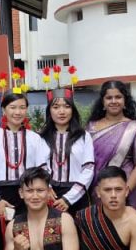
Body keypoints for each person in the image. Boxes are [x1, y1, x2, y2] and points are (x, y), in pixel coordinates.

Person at [0, 89, 49, 250]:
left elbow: (42, 170)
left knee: (26, 236)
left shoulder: (34, 138)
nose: (18, 112)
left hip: (26, 194)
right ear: (4, 110)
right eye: (13, 107)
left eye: (22, 107)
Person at [86, 80, 136, 208]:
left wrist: (125, 190)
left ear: (125, 101)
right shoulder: (90, 127)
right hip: (97, 190)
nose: (114, 101)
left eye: (118, 97)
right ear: (103, 102)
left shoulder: (134, 128)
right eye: (109, 98)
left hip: (128, 191)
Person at [40, 85, 95, 215]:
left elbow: (88, 168)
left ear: (73, 110)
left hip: (78, 194)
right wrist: (46, 188)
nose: (62, 111)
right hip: (50, 195)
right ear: (49, 111)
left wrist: (68, 198)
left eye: (66, 106)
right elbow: (40, 166)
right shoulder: (41, 138)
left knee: (79, 233)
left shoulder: (83, 136)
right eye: (56, 107)